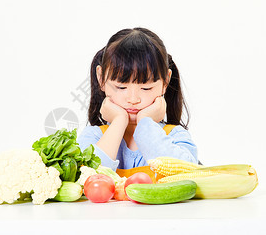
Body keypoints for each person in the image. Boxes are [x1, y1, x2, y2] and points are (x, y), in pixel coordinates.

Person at [77, 27, 199, 171]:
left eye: (146, 88)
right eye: (121, 87)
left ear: (165, 81)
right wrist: (119, 121)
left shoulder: (175, 137)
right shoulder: (94, 137)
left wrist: (145, 122)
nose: (133, 99)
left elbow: (184, 174)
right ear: (101, 78)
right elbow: (89, 177)